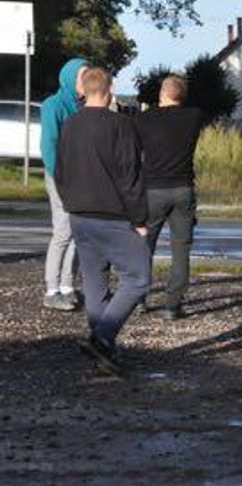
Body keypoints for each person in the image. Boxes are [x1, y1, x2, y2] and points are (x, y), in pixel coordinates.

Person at [53, 67, 149, 375]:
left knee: (95, 283)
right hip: (113, 215)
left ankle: (103, 349)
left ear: (83, 90)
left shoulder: (70, 124)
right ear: (108, 90)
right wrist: (140, 218)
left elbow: (59, 170)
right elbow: (130, 174)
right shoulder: (121, 125)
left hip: (79, 214)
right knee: (138, 277)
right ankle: (102, 337)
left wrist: (70, 202)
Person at [135, 75, 205, 320]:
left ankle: (138, 297)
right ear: (182, 96)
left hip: (152, 188)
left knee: (144, 245)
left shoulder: (143, 120)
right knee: (181, 248)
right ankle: (172, 304)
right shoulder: (193, 117)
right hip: (183, 189)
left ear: (161, 94)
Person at [39, 57, 89, 311]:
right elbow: (48, 144)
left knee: (77, 231)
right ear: (70, 79)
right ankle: (52, 289)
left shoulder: (82, 107)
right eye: (82, 77)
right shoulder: (53, 105)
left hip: (78, 176)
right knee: (63, 230)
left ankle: (68, 286)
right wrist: (59, 175)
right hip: (59, 175)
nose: (87, 82)